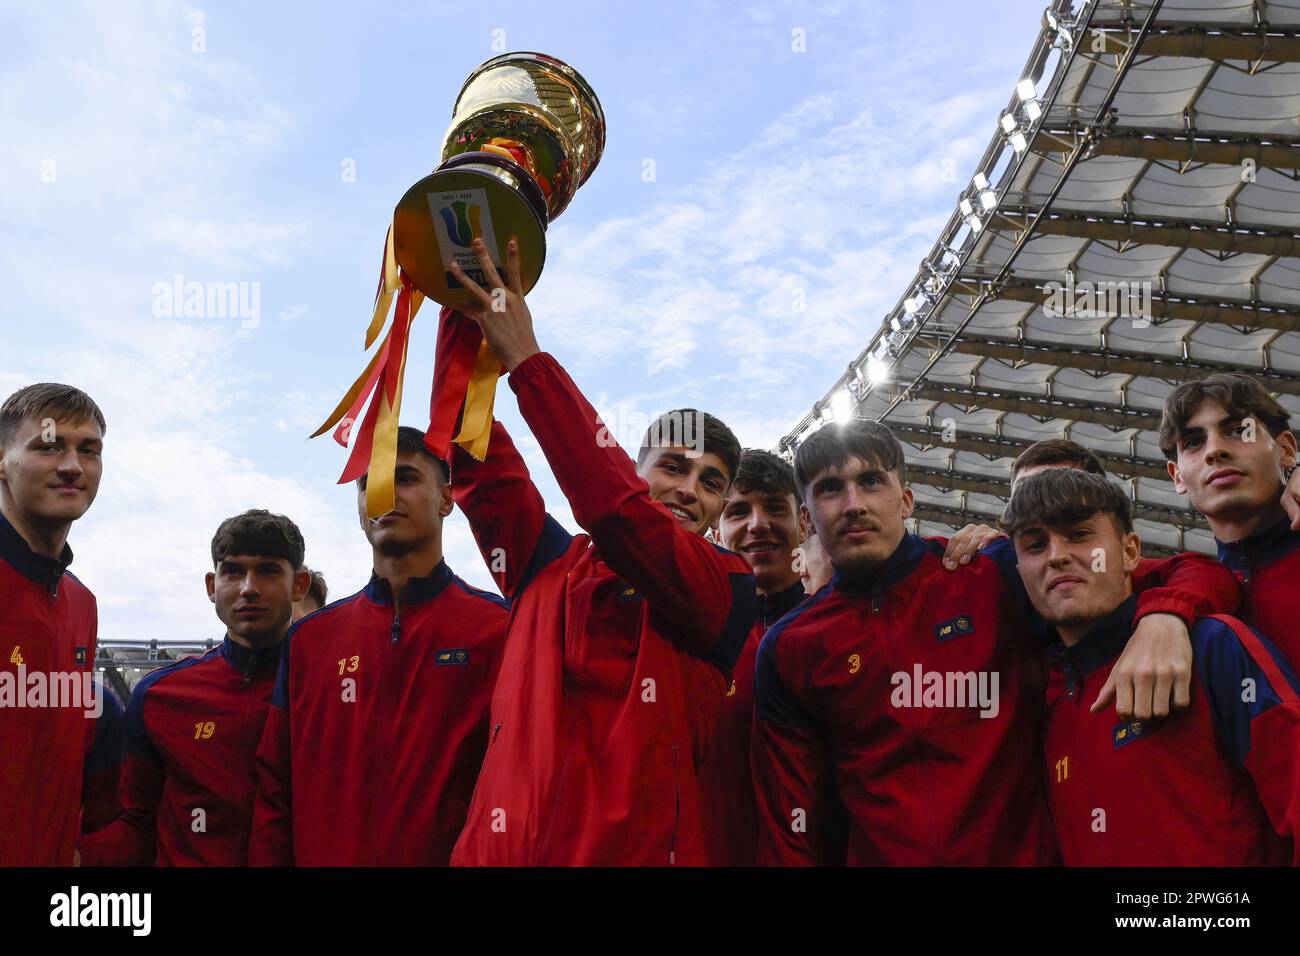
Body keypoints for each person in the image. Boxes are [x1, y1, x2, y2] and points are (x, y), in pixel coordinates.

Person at [751, 418, 1239, 866]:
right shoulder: (790, 647)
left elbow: (1195, 572)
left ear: (905, 500)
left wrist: (1164, 616)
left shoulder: (992, 574)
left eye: (872, 481)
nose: (854, 503)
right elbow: (794, 825)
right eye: (831, 489)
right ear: (807, 520)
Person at [443, 239, 758, 866]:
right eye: (673, 467)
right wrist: (457, 292)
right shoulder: (545, 565)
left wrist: (526, 360)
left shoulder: (726, 588)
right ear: (634, 468)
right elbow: (468, 443)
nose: (689, 490)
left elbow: (613, 510)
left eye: (711, 482)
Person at [1004, 468, 1300, 864]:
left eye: (1078, 534)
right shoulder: (1048, 710)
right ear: (1019, 572)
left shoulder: (1211, 646)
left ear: (1129, 552)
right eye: (1035, 544)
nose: (1056, 556)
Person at [250, 427, 508, 866]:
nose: (386, 493)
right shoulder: (310, 640)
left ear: (447, 499)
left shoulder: (499, 629)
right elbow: (276, 791)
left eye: (405, 478)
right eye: (371, 484)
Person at [941, 435, 1246, 720]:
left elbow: (1204, 572)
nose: (1042, 501)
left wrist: (1164, 618)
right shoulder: (998, 577)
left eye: (1064, 488)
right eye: (1024, 494)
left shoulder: (1203, 641)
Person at [79, 510, 310, 865]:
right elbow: (135, 822)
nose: (249, 588)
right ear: (211, 586)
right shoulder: (160, 695)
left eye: (267, 570)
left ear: (299, 585)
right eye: (233, 570)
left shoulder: (323, 689)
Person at [0, 383, 106, 866]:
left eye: (88, 450)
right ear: (2, 459)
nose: (72, 465)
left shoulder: (82, 604)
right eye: (48, 445)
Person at [704, 449, 810, 865]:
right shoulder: (692, 637)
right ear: (716, 530)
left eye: (775, 507)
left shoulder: (841, 631)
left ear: (804, 522)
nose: (758, 524)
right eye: (739, 511)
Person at [1160, 373, 1300, 669]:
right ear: (1177, 476)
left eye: (1238, 430)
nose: (1214, 450)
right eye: (1194, 442)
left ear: (1286, 451)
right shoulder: (1180, 601)